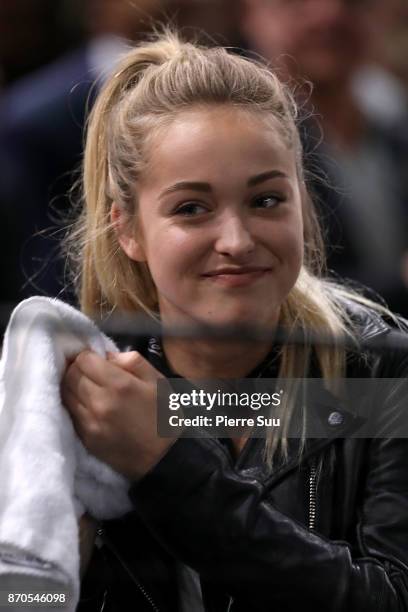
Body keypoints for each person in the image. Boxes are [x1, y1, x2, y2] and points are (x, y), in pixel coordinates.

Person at [60, 31, 408, 611]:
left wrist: (168, 468)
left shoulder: (383, 370)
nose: (237, 241)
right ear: (128, 229)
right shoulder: (75, 386)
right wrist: (50, 577)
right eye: (191, 209)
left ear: (303, 198)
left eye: (266, 200)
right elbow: (22, 596)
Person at [239, 0, 408, 315]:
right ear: (251, 13)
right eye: (297, 4)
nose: (329, 14)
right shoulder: (237, 143)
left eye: (353, 4)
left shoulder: (392, 127)